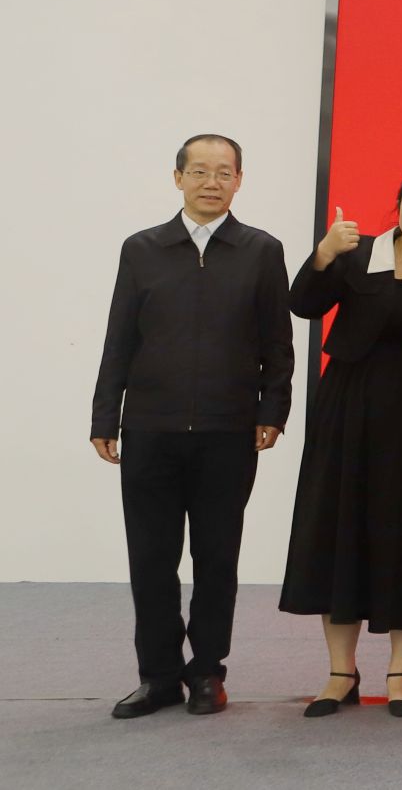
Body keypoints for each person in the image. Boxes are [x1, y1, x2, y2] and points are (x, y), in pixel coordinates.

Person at [91, 133, 293, 718]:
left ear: (239, 181)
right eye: (199, 171)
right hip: (150, 427)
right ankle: (158, 677)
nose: (211, 182)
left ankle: (207, 671)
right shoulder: (142, 249)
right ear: (177, 177)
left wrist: (272, 411)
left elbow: (278, 344)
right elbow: (119, 337)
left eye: (224, 172)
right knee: (151, 559)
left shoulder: (261, 250)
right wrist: (105, 415)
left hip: (229, 430)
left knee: (217, 558)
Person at [280, 168, 402, 719]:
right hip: (348, 416)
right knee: (338, 534)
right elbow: (303, 304)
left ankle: (401, 672)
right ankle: (341, 672)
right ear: (398, 207)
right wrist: (323, 254)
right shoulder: (358, 256)